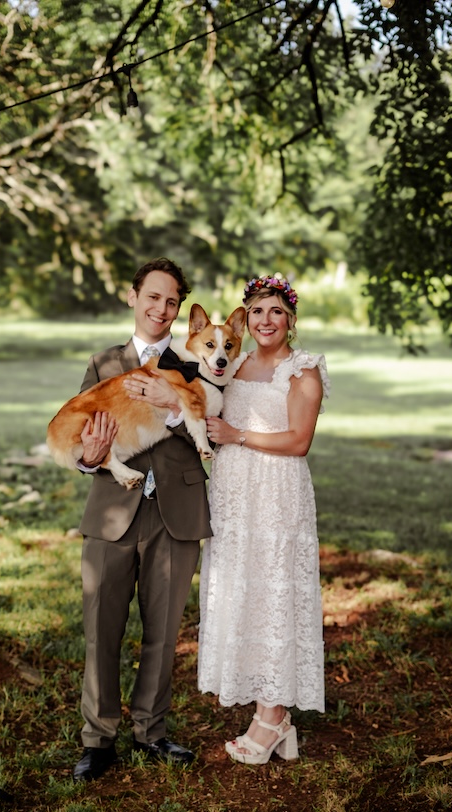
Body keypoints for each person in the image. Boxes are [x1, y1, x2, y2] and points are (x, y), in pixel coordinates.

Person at [72, 257, 212, 783]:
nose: (162, 308)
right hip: (112, 512)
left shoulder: (194, 362)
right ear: (133, 297)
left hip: (175, 513)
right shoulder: (104, 363)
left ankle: (151, 731)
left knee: (163, 630)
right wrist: (90, 454)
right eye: (153, 296)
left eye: (172, 300)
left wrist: (173, 408)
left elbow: (210, 432)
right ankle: (98, 738)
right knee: (101, 630)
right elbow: (82, 443)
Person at [198, 274, 330, 764]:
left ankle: (271, 720)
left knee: (274, 592)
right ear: (245, 318)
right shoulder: (234, 362)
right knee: (244, 591)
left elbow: (298, 441)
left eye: (275, 311)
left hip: (276, 494)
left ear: (290, 319)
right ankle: (271, 715)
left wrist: (236, 436)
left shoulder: (303, 370)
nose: (265, 320)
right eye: (257, 311)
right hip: (234, 495)